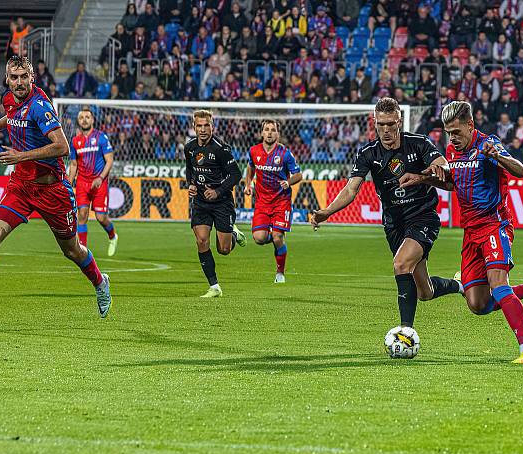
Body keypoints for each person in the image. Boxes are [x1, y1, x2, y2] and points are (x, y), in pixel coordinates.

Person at [0, 56, 111, 323]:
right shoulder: (10, 99)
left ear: (33, 78)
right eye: (14, 77)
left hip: (52, 190)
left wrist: (21, 156)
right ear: (7, 79)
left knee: (71, 250)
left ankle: (100, 282)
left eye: (23, 77)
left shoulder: (40, 106)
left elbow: (62, 147)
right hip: (21, 186)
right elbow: (11, 117)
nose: (19, 83)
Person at [400, 101, 523, 364]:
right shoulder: (452, 151)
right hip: (470, 232)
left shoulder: (489, 144)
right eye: (448, 132)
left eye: (456, 131)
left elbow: (522, 171)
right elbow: (454, 183)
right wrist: (422, 178)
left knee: (498, 285)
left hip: (494, 225)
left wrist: (497, 156)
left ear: (470, 125)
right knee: (477, 304)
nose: (452, 138)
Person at [310, 97, 461, 334]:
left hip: (422, 216)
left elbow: (444, 166)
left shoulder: (418, 143)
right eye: (381, 125)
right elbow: (351, 189)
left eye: (391, 124)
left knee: (401, 264)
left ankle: (406, 332)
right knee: (425, 292)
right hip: (394, 223)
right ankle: (459, 285)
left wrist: (439, 169)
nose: (386, 130)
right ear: (375, 123)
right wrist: (326, 212)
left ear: (399, 121)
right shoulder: (369, 153)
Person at [184, 110, 246, 298]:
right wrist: (191, 185)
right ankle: (214, 286)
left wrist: (218, 191)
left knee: (224, 250)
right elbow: (190, 170)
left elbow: (236, 174)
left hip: (222, 203)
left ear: (213, 127)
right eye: (199, 126)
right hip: (201, 202)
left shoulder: (221, 149)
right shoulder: (189, 148)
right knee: (201, 240)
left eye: (206, 125)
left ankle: (233, 232)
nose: (203, 129)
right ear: (194, 127)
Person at [243, 119, 303, 283]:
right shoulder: (254, 151)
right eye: (267, 129)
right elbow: (250, 167)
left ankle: (280, 273)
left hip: (281, 201)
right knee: (259, 238)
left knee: (277, 236)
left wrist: (288, 182)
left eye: (273, 130)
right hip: (262, 202)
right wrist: (248, 184)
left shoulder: (285, 153)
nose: (269, 132)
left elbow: (298, 175)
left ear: (278, 133)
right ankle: (277, 241)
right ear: (262, 133)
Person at [68, 109, 118, 256]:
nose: (84, 120)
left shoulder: (101, 137)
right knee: (82, 215)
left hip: (99, 182)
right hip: (82, 182)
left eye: (87, 117)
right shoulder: (75, 141)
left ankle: (113, 236)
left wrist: (101, 177)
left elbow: (109, 160)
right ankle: (82, 251)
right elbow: (73, 164)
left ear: (93, 120)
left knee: (100, 218)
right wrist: (70, 182)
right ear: (79, 121)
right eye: (82, 117)